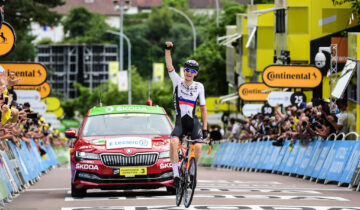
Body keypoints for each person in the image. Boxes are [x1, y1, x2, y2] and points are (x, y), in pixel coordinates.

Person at [164, 41, 208, 188]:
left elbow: (203, 108)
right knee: (173, 142)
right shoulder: (177, 82)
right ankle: (176, 175)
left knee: (199, 147)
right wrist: (168, 50)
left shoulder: (199, 86)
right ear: (184, 71)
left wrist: (206, 128)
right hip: (180, 122)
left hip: (193, 122)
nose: (189, 73)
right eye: (187, 70)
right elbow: (169, 67)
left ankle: (193, 172)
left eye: (192, 71)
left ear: (196, 73)